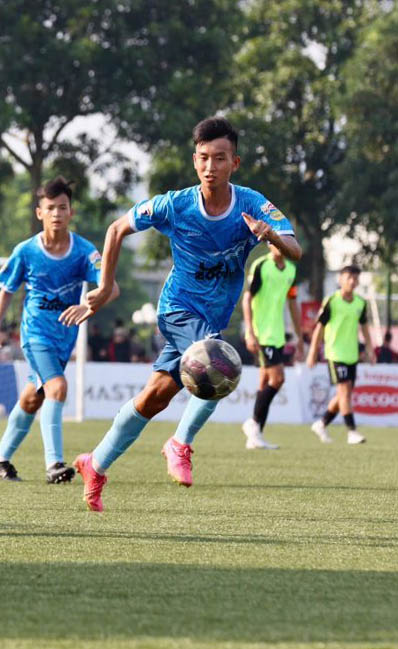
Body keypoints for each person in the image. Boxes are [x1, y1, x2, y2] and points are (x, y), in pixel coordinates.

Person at [73, 116, 301, 512]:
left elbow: (296, 250)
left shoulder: (251, 203)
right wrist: (106, 286)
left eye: (220, 158)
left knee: (153, 399)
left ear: (235, 162)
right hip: (178, 310)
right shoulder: (174, 204)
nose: (210, 166)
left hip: (210, 322)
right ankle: (179, 443)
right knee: (218, 366)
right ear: (194, 161)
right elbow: (115, 229)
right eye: (203, 158)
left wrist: (271, 236)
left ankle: (95, 463)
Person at [0, 177, 115, 484]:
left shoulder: (84, 251)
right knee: (57, 388)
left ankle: (0, 458)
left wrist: (89, 306)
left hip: (65, 336)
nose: (57, 213)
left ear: (71, 212)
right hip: (36, 334)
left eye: (63, 207)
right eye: (50, 208)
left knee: (33, 397)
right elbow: (6, 290)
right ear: (39, 213)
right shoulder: (26, 251)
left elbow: (112, 288)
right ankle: (54, 463)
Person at [240, 242, 305, 449]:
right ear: (269, 245)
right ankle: (252, 424)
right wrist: (250, 332)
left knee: (264, 383)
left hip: (277, 334)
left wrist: (299, 335)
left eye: (284, 241)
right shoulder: (261, 266)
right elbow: (247, 299)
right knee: (278, 378)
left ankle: (255, 435)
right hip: (262, 333)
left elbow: (292, 303)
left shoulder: (291, 270)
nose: (280, 245)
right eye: (276, 241)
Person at [307, 265, 375, 444]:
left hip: (352, 355)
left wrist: (370, 349)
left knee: (343, 395)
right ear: (340, 280)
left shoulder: (361, 303)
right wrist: (313, 352)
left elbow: (365, 328)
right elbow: (319, 328)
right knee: (344, 392)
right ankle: (352, 431)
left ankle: (321, 423)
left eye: (355, 278)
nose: (352, 281)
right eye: (348, 277)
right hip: (335, 354)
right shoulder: (332, 301)